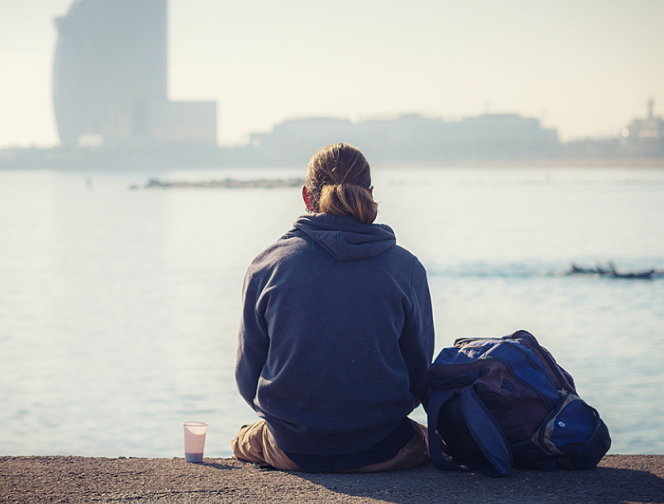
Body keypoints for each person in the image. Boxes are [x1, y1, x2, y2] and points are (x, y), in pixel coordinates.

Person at [232, 143, 435, 472]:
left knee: (241, 440)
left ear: (306, 197)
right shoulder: (406, 268)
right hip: (385, 450)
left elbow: (247, 378)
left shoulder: (266, 265)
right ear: (369, 194)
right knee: (434, 440)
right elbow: (419, 373)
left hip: (292, 451)